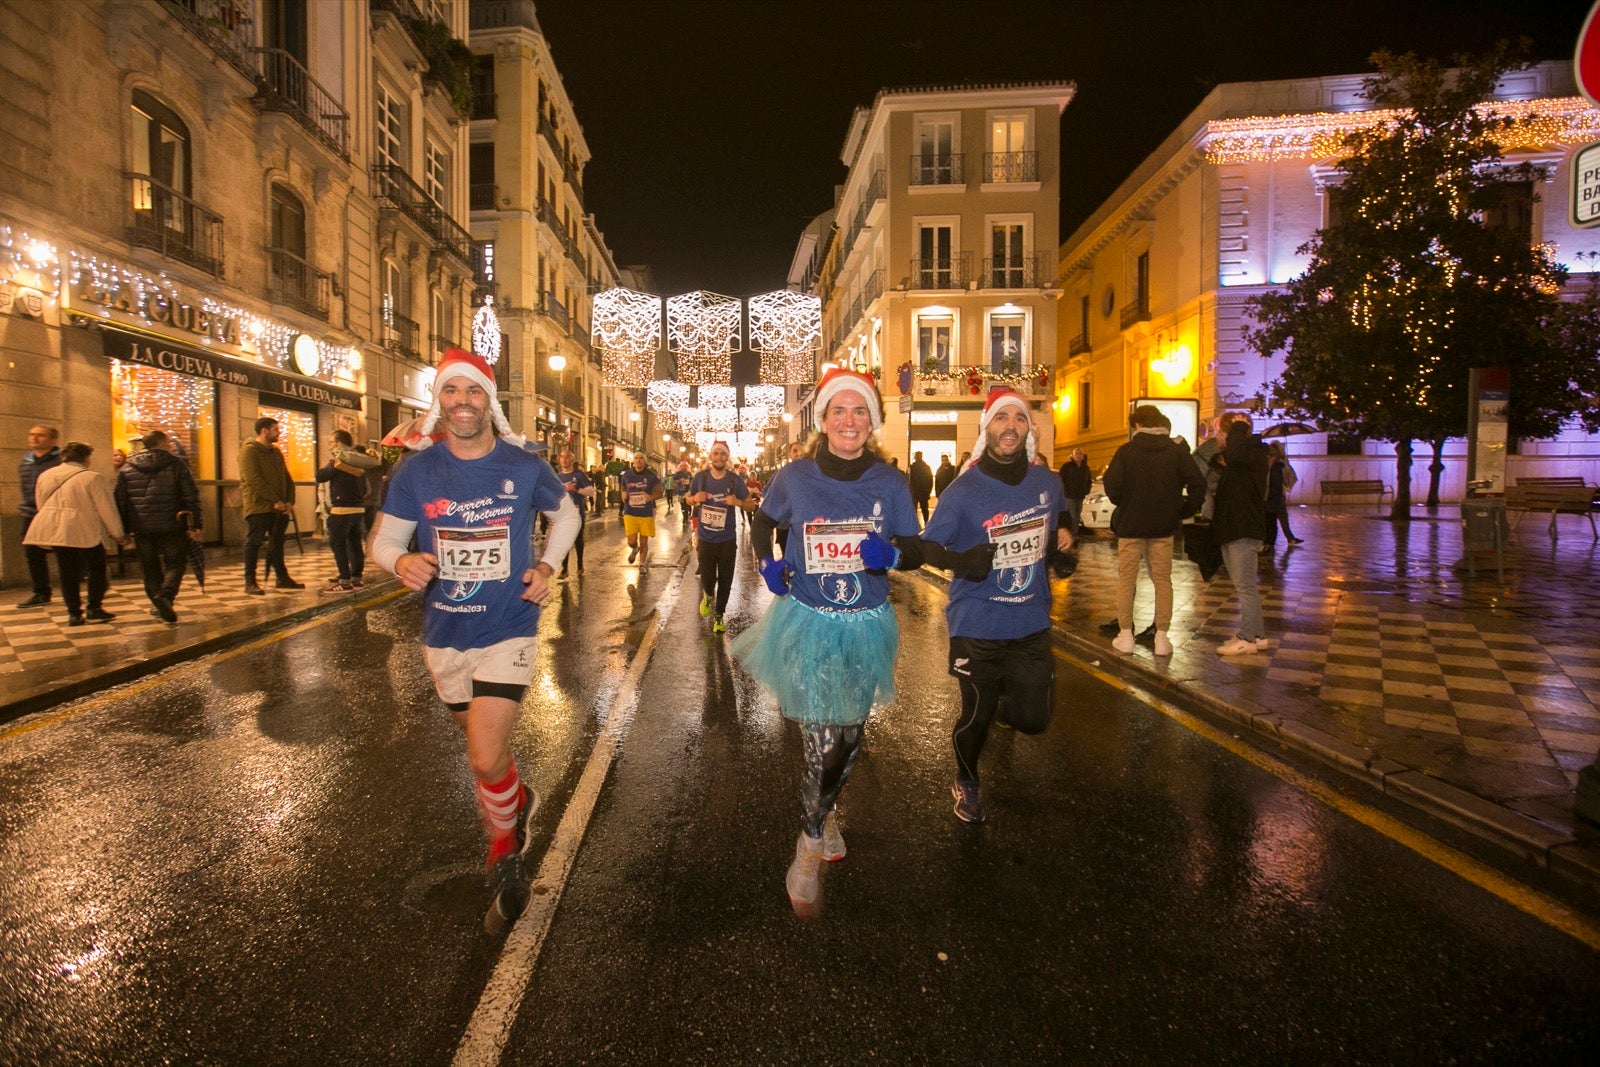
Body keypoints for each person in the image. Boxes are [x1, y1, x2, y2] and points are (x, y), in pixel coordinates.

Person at [369, 347, 580, 931]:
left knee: (484, 755)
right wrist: (401, 563)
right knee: (486, 758)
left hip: (508, 625)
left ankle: (505, 854)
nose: (463, 403)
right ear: (440, 401)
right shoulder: (416, 471)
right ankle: (519, 799)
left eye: (474, 392)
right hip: (445, 634)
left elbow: (567, 518)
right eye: (452, 392)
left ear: (490, 401)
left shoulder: (523, 465)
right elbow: (383, 541)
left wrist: (548, 566)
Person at [731, 367, 921, 919]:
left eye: (860, 411)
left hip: (866, 623)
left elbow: (913, 545)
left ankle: (827, 809)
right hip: (809, 621)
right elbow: (764, 523)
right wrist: (768, 563)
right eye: (839, 410)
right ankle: (809, 847)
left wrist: (895, 557)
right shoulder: (794, 476)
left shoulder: (891, 482)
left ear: (872, 421)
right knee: (824, 742)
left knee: (851, 736)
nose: (849, 420)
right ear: (824, 419)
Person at [921, 387, 1073, 822]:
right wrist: (960, 561)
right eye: (1002, 418)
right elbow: (927, 546)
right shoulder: (963, 490)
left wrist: (1062, 542)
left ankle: (1013, 698)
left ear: (1029, 430)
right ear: (987, 428)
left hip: (1029, 620)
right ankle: (967, 780)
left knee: (1033, 720)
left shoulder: (1048, 481)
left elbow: (1059, 515)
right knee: (977, 714)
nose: (1010, 426)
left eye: (1019, 419)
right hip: (978, 623)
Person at [1102, 406, 1206, 658]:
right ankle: (1161, 638)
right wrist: (1183, 509)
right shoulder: (1175, 452)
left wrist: (1125, 502)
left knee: (1127, 578)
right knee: (1162, 580)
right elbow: (1198, 483)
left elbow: (1112, 485)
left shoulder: (1126, 452)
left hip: (1131, 526)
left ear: (1137, 425)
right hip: (1163, 526)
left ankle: (1125, 635)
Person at [23, 441, 127, 625]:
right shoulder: (92, 477)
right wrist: (118, 533)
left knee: (66, 571)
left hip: (57, 530)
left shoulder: (46, 475)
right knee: (96, 568)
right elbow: (106, 508)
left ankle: (73, 613)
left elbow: (41, 504)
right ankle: (94, 608)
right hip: (86, 530)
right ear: (86, 458)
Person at [115, 430, 202, 624]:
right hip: (173, 523)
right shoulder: (176, 464)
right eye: (168, 442)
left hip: (141, 527)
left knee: (149, 566)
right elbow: (191, 495)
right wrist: (196, 524)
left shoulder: (126, 468)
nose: (171, 445)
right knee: (176, 563)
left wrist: (123, 529)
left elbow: (120, 500)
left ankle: (158, 602)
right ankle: (165, 596)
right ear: (161, 443)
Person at [1211, 415, 1271, 655]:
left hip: (1243, 530)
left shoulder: (1249, 455)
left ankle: (1248, 637)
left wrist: (1237, 426)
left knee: (1245, 586)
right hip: (1235, 529)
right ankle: (1257, 636)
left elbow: (1237, 453)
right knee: (1244, 586)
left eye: (1218, 432)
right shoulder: (1240, 461)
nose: (1215, 437)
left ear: (1231, 435)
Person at [685, 440, 752, 634]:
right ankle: (707, 595)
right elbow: (688, 498)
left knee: (725, 579)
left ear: (727, 458)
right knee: (707, 577)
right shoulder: (701, 478)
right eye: (716, 454)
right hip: (706, 538)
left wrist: (737, 501)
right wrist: (694, 499)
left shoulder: (734, 480)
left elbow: (751, 505)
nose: (719, 457)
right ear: (711, 457)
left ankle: (719, 616)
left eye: (722, 454)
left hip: (727, 539)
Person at [239, 416, 303, 595]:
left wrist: (289, 501)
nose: (279, 432)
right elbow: (253, 479)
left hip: (281, 507)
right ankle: (250, 581)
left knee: (277, 543)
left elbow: (287, 477)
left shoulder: (276, 452)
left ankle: (282, 578)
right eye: (276, 429)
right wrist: (274, 500)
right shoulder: (249, 451)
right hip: (259, 507)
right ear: (264, 430)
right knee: (254, 542)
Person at [315, 430, 380, 592]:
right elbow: (366, 488)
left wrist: (331, 464)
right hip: (358, 509)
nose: (330, 445)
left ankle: (344, 581)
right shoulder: (359, 462)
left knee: (338, 544)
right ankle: (356, 579)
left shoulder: (339, 460)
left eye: (331, 442)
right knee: (355, 544)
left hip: (340, 510)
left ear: (338, 443)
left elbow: (320, 476)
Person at [18, 424, 63, 607]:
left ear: (53, 440)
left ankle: (74, 587)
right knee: (32, 553)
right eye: (31, 435)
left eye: (40, 435)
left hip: (54, 511)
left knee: (64, 551)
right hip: (29, 512)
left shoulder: (60, 460)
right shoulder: (26, 461)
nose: (34, 438)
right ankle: (41, 592)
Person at [553, 449, 595, 577]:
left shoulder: (579, 475)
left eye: (567, 457)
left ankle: (580, 564)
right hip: (563, 515)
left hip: (577, 513)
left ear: (572, 460)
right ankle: (564, 569)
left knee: (578, 540)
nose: (564, 459)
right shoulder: (558, 477)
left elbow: (590, 492)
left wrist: (576, 489)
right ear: (559, 460)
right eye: (562, 457)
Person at [618, 452, 663, 564]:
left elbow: (660, 493)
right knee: (631, 541)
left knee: (644, 542)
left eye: (641, 458)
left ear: (645, 461)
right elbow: (623, 488)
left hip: (646, 513)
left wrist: (650, 497)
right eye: (636, 458)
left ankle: (641, 564)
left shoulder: (651, 476)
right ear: (633, 461)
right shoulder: (626, 475)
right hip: (630, 512)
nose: (638, 460)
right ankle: (634, 548)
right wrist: (623, 494)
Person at [1262, 442, 1303, 550]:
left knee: (1276, 520)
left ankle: (1285, 539)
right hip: (1273, 498)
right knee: (1273, 521)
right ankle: (1285, 539)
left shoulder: (1278, 466)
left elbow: (1279, 482)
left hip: (1274, 498)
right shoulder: (1274, 466)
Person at [1057, 448, 1092, 539]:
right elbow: (1061, 479)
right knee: (1073, 515)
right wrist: (1064, 491)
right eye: (1076, 453)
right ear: (1072, 455)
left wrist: (1087, 490)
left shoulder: (1085, 468)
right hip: (1069, 495)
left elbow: (1088, 480)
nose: (1078, 455)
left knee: (1077, 515)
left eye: (1080, 453)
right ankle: (1072, 534)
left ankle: (1074, 534)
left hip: (1080, 495)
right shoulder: (1067, 466)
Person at [908, 450, 934, 525]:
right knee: (924, 509)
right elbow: (930, 480)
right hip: (923, 492)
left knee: (914, 509)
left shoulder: (912, 467)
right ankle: (926, 522)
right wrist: (928, 491)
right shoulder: (926, 467)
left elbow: (910, 480)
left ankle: (914, 523)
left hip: (915, 492)